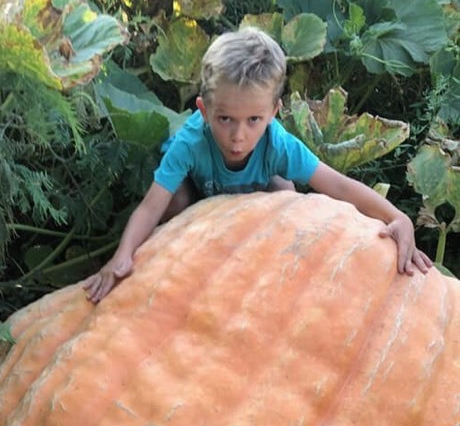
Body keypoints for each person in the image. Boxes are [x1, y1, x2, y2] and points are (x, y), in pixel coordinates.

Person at [84, 27, 432, 304]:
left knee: (288, 193)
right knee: (173, 200)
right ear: (204, 111)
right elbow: (149, 208)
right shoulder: (190, 142)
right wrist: (122, 256)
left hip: (256, 200)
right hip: (199, 201)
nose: (239, 135)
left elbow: (338, 184)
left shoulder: (277, 143)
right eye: (224, 119)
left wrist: (396, 217)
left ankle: (272, 265)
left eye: (253, 119)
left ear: (273, 113)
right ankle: (188, 259)